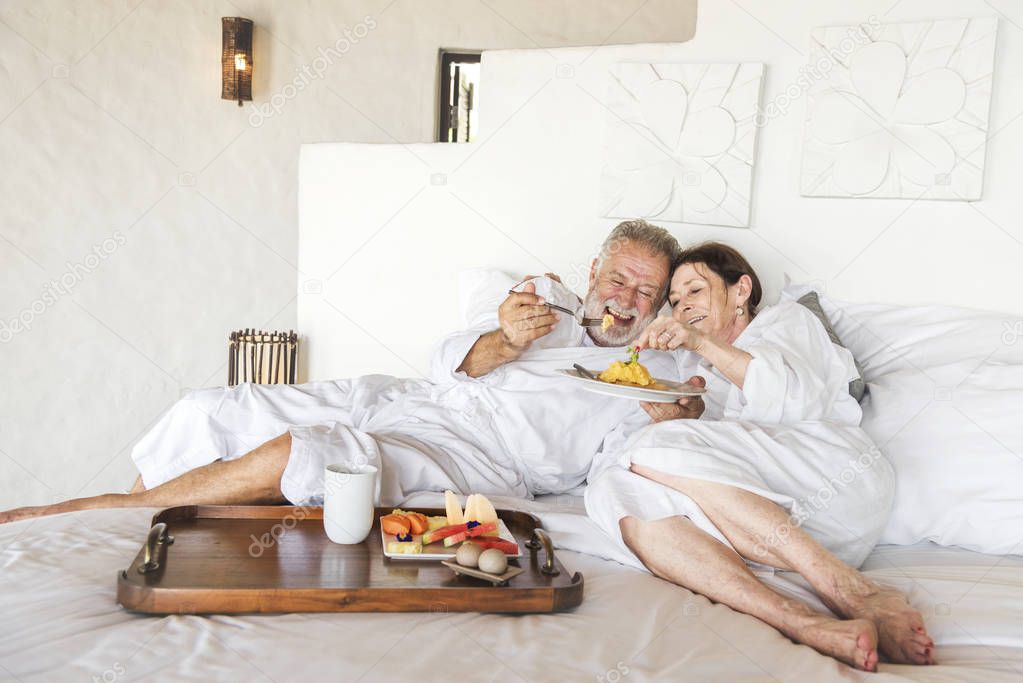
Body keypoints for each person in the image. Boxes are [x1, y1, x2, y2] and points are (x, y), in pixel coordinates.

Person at [0, 220, 686, 523]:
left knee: (309, 452)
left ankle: (85, 516)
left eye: (643, 291)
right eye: (619, 278)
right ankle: (125, 528)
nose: (625, 299)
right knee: (213, 408)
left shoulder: (644, 384)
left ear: (655, 304)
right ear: (594, 272)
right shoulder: (540, 307)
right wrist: (501, 339)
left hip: (466, 456)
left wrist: (672, 417)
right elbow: (449, 362)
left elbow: (613, 470)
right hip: (401, 398)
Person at [585, 242, 934, 672]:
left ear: (741, 290)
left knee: (644, 450)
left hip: (837, 480)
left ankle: (851, 590)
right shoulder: (706, 375)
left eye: (695, 291)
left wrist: (698, 343)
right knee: (609, 490)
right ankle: (796, 619)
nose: (682, 308)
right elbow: (708, 470)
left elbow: (792, 398)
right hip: (770, 527)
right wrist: (685, 418)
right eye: (674, 302)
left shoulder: (787, 321)